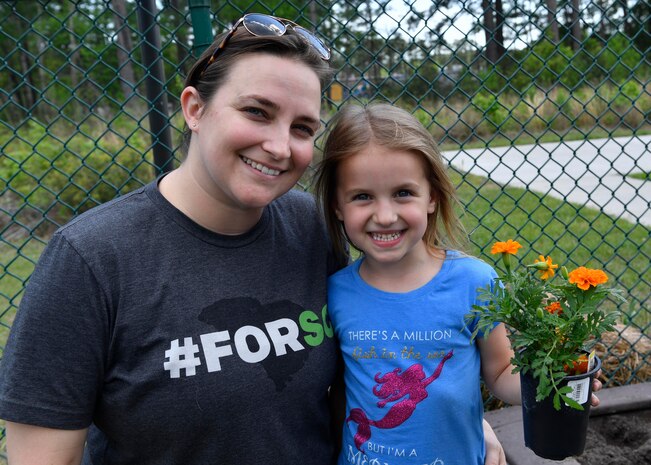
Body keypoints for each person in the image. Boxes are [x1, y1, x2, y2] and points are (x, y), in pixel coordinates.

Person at [0, 13, 508, 465]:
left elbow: (375, 349)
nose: (279, 145)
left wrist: (455, 424)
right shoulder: (90, 260)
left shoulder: (312, 228)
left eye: (303, 127)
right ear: (194, 108)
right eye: (257, 112)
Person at [313, 102, 602, 465]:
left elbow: (499, 373)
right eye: (362, 196)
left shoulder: (474, 282)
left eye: (403, 192)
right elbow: (341, 392)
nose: (385, 216)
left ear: (432, 196)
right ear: (338, 206)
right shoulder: (335, 292)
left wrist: (554, 381)